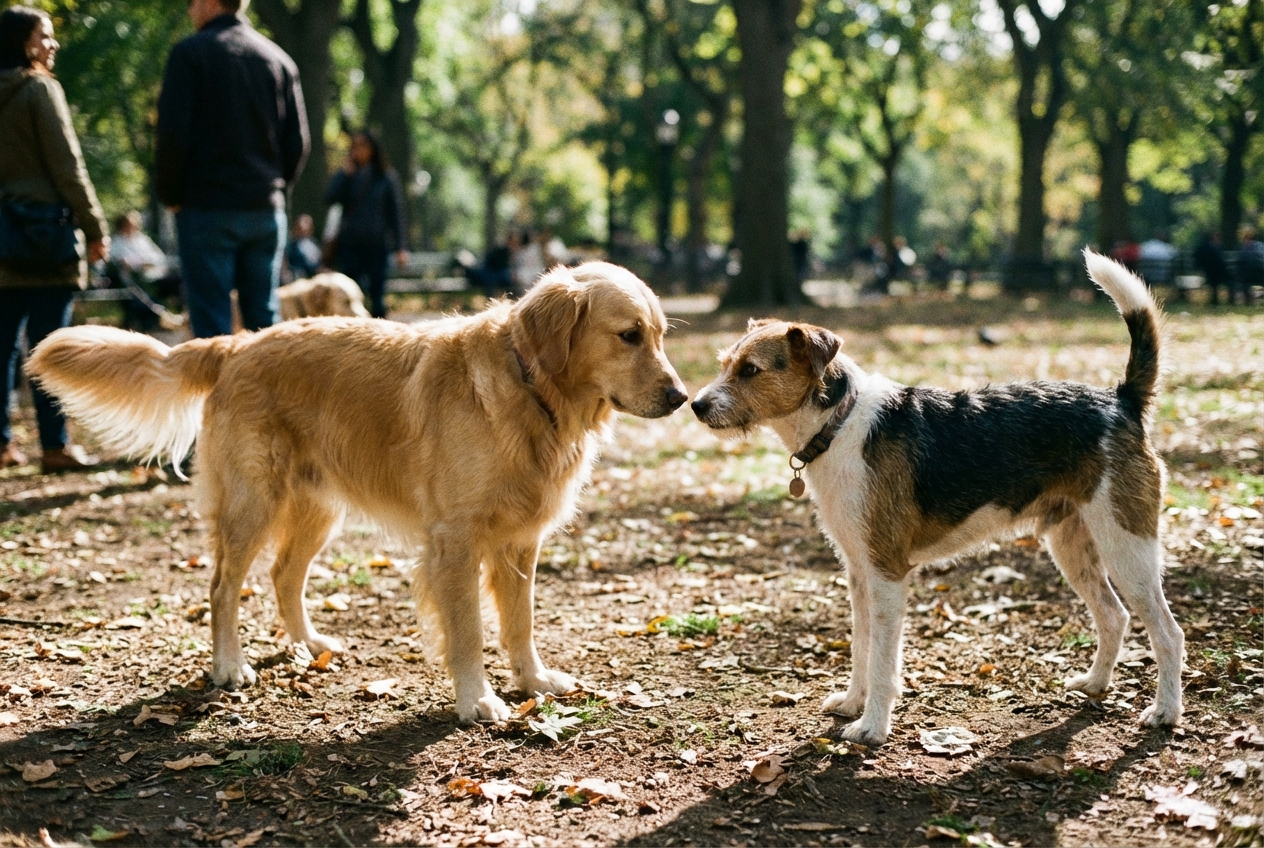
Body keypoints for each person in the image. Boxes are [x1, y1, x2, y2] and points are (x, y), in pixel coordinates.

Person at [155, 0, 309, 338]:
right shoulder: (279, 60)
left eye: (192, 2)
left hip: (207, 208)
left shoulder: (189, 55)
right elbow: (298, 143)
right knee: (264, 323)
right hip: (264, 210)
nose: (189, 9)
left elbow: (172, 136)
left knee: (212, 327)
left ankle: (217, 392)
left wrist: (171, 195)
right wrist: (276, 189)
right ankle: (265, 392)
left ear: (210, 2)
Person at [0, 6, 108, 472]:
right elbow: (68, 166)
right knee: (52, 347)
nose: (53, 44)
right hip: (46, 237)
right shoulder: (39, 89)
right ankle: (54, 446)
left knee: (1, 346)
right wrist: (94, 226)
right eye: (44, 35)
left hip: (2, 238)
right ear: (25, 43)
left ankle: (2, 444)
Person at [324, 130, 407, 319]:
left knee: (377, 295)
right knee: (351, 293)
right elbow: (329, 198)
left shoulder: (386, 177)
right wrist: (344, 175)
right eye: (355, 146)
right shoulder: (347, 176)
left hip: (376, 244)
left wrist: (401, 247)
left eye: (363, 146)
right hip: (350, 244)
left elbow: (396, 214)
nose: (359, 151)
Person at [105, 211, 182, 331]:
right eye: (128, 224)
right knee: (141, 295)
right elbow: (115, 260)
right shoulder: (115, 242)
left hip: (152, 276)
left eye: (134, 224)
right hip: (130, 280)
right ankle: (153, 320)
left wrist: (148, 263)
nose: (132, 228)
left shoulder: (142, 240)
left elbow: (158, 257)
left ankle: (179, 315)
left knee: (178, 281)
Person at [1192, 232, 1228, 305]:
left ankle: (1215, 299)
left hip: (1211, 270)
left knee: (1215, 280)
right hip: (1212, 270)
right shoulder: (1211, 247)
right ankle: (1215, 299)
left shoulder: (1208, 246)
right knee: (1216, 279)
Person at [283, 213, 322, 282]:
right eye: (298, 227)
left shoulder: (313, 244)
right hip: (297, 277)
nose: (303, 226)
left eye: (307, 223)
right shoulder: (290, 245)